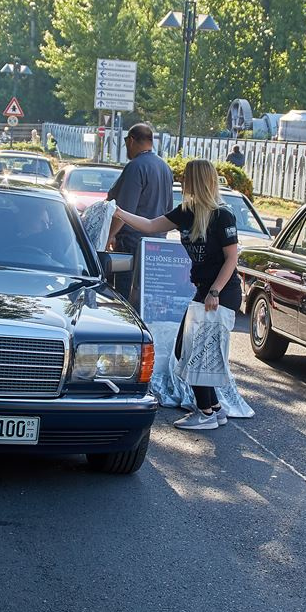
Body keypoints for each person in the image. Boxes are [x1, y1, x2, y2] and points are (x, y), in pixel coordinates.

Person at [114, 159, 240, 430]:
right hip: (203, 291)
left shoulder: (222, 215)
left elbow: (232, 258)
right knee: (192, 349)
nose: (182, 182)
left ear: (197, 180)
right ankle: (215, 409)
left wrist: (215, 292)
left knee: (193, 350)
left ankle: (205, 413)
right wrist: (119, 212)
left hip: (221, 292)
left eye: (186, 178)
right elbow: (150, 225)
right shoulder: (186, 212)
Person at [106, 123, 174, 296]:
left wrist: (109, 236)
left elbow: (123, 210)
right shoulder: (165, 168)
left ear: (131, 140)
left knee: (124, 293)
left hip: (130, 245)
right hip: (156, 246)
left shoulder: (135, 166)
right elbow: (169, 210)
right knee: (145, 295)